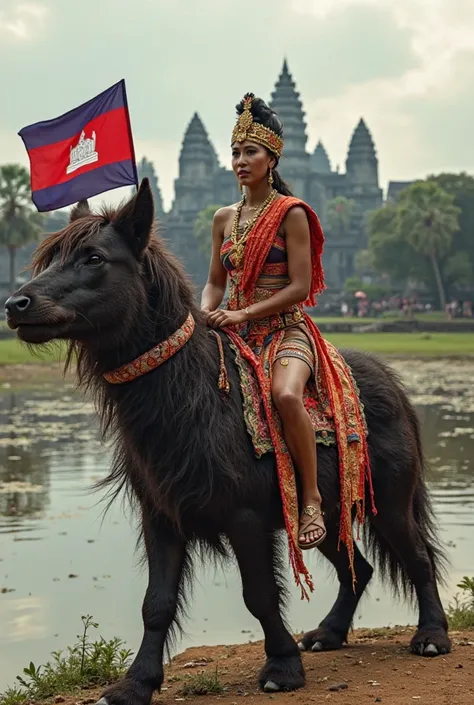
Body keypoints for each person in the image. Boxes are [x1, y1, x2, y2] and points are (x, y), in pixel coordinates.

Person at [200, 92, 327, 550]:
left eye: (250, 151)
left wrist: (243, 312)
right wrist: (206, 311)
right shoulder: (223, 219)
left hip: (285, 329)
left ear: (271, 158)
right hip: (235, 333)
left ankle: (311, 499)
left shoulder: (291, 214)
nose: (240, 160)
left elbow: (299, 286)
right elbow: (215, 281)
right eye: (235, 152)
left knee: (286, 395)